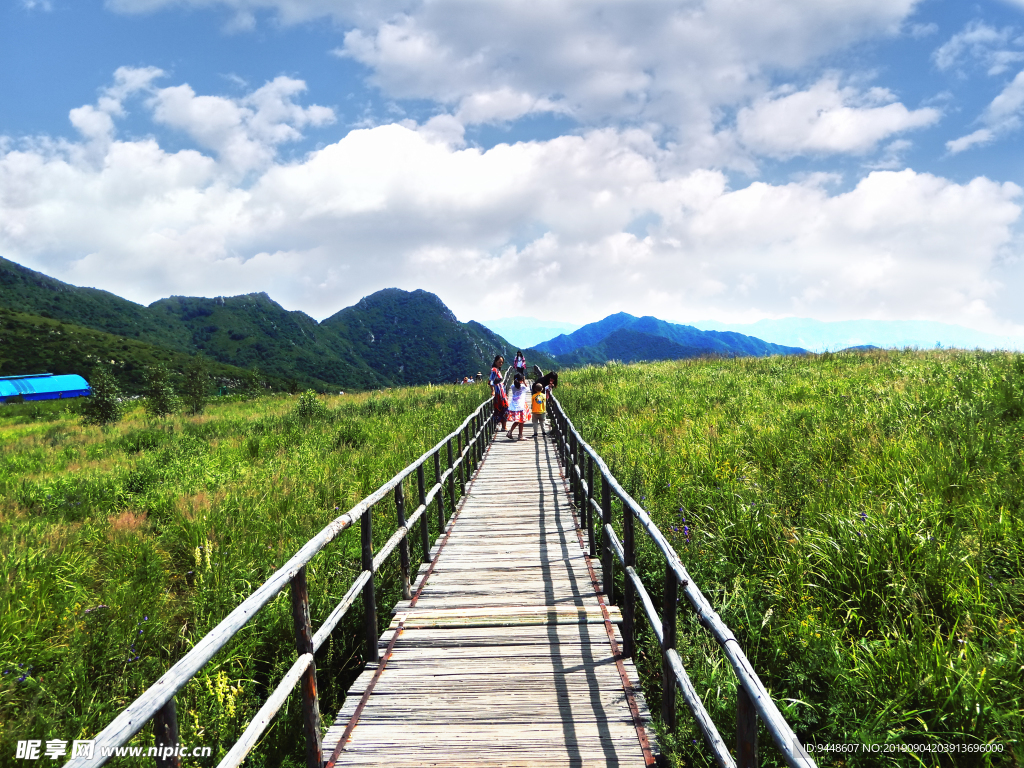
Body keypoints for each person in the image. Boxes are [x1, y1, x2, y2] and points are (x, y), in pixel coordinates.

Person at [506, 373, 530, 440]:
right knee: (521, 421)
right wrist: (524, 382)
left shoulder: (512, 386)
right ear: (522, 379)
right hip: (521, 405)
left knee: (517, 421)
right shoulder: (523, 386)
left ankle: (511, 432)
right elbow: (528, 389)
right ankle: (520, 435)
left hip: (514, 406)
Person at [490, 356, 508, 430]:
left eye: (502, 362)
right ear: (495, 362)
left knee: (504, 407)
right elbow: (491, 381)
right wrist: (493, 390)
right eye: (499, 362)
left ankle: (503, 426)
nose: (501, 363)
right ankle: (500, 426)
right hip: (498, 391)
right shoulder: (494, 370)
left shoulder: (497, 370)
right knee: (500, 408)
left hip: (501, 391)